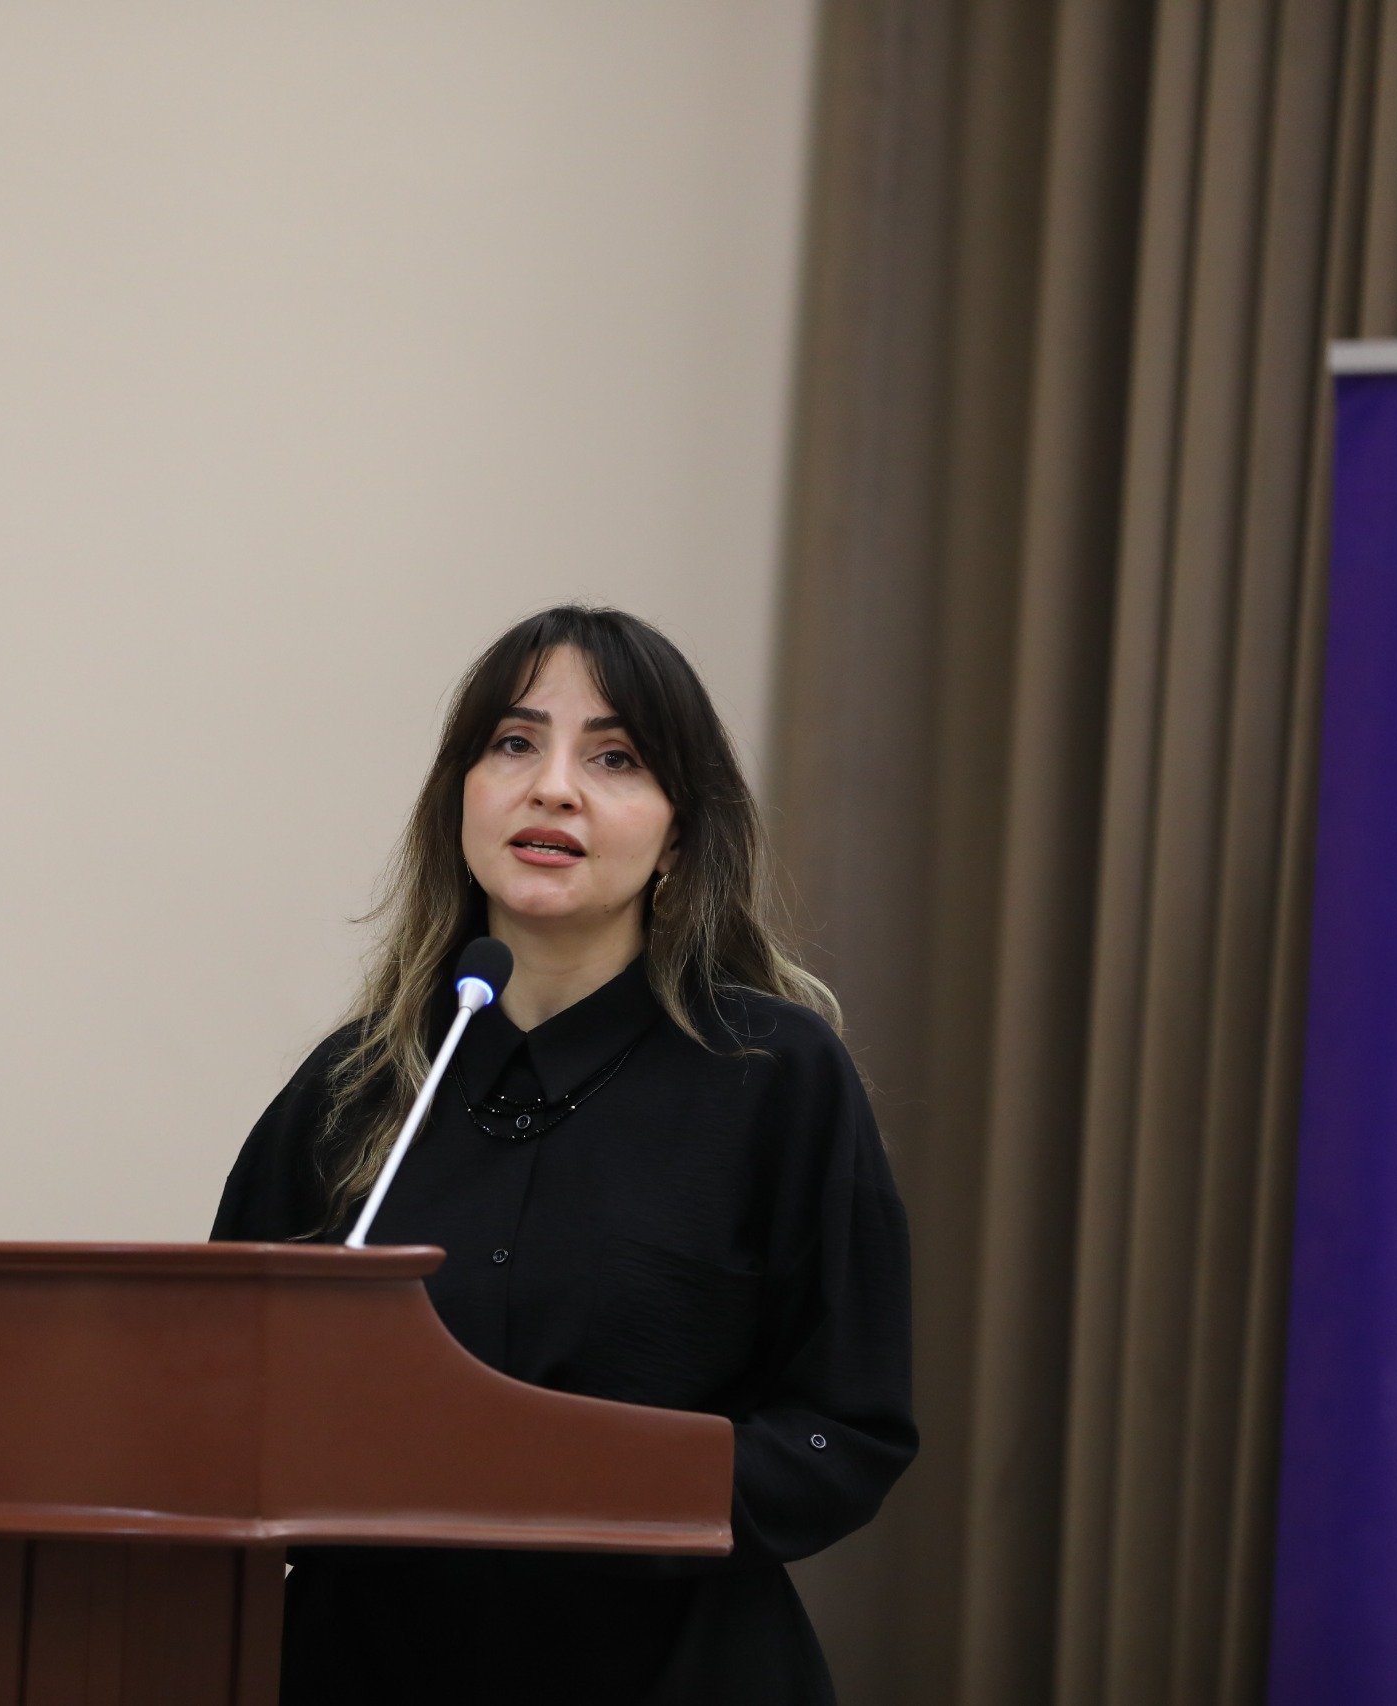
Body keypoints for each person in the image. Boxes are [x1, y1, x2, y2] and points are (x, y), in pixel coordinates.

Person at [211, 605, 916, 1705]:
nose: (552, 788)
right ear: (460, 796)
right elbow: (220, 1391)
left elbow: (847, 1427)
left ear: (678, 834)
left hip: (671, 1669)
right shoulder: (354, 1086)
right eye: (513, 743)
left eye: (615, 757)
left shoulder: (771, 1073)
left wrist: (595, 1485)